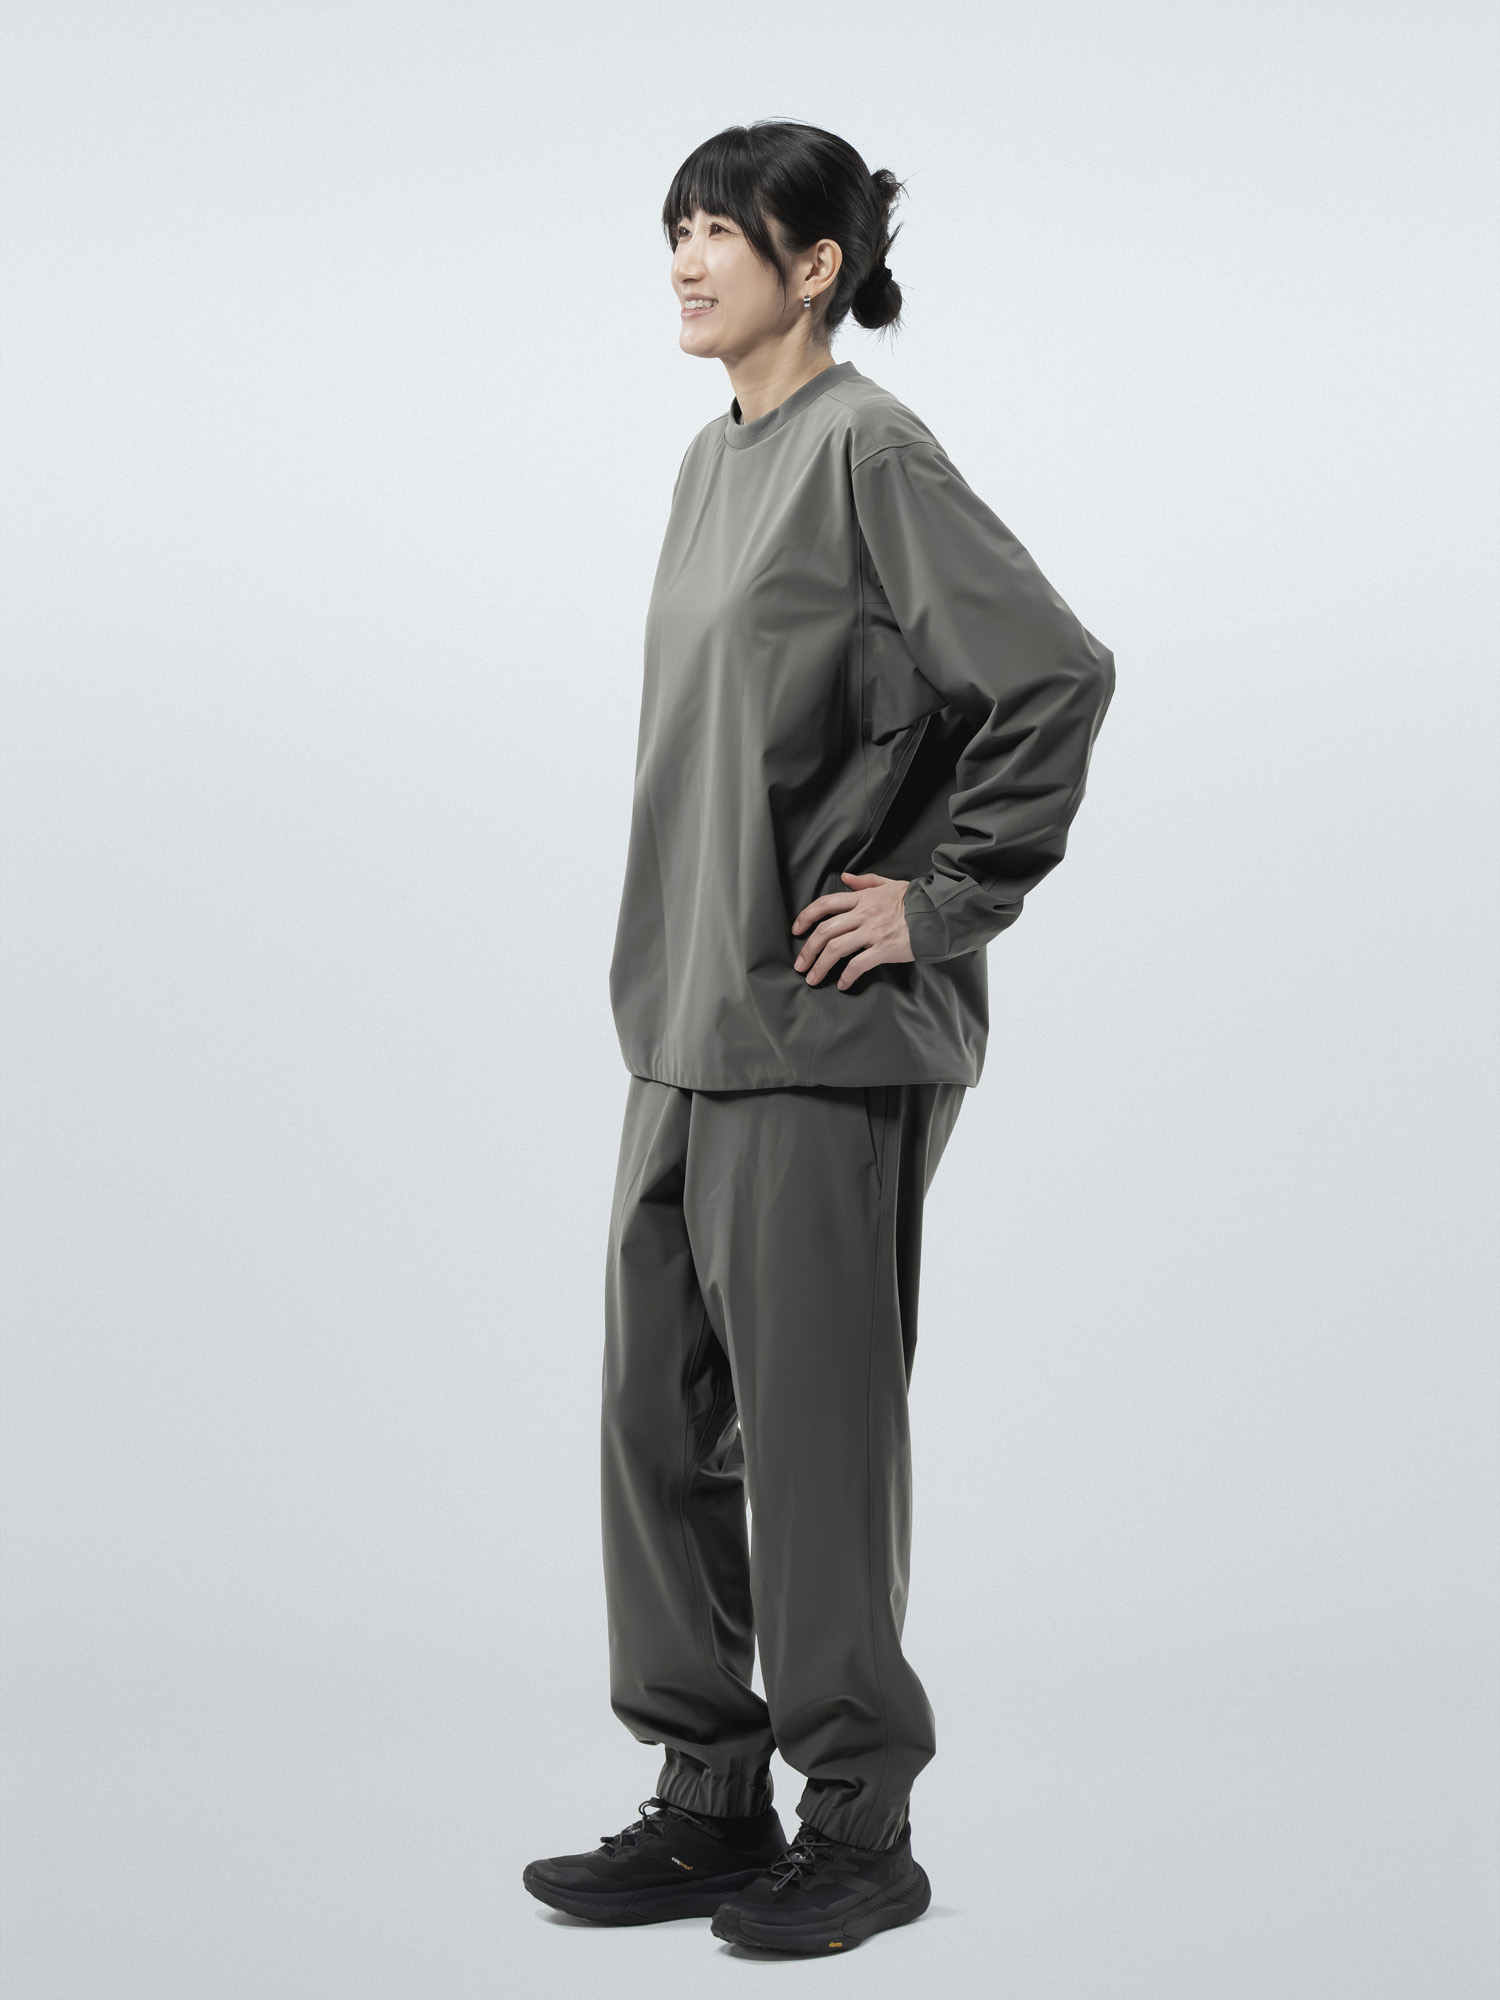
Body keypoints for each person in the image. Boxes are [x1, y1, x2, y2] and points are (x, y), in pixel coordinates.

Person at [522, 119, 1115, 1956]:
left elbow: (1052, 674)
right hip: (685, 1021)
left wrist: (938, 903)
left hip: (822, 1038)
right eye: (677, 227)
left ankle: (859, 1823)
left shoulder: (871, 453)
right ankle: (710, 1794)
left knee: (812, 1442)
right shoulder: (714, 463)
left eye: (724, 231)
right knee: (653, 1422)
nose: (688, 259)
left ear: (818, 266)